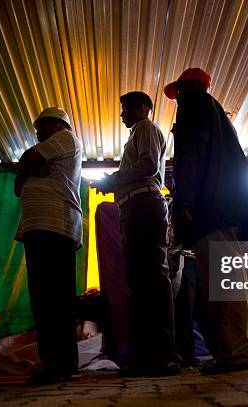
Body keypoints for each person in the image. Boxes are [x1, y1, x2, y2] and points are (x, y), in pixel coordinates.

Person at [164, 68, 248, 375]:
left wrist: (183, 203)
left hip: (210, 210)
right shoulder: (218, 115)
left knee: (225, 285)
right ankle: (242, 348)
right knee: (233, 281)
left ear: (190, 87)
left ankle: (236, 354)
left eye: (180, 92)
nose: (178, 99)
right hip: (227, 210)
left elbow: (190, 157)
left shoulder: (193, 107)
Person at [91, 91, 181, 376]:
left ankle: (163, 356)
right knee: (143, 282)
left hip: (144, 205)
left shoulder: (145, 128)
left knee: (151, 280)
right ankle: (148, 356)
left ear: (143, 108)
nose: (122, 115)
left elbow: (148, 166)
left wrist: (113, 179)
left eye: (125, 108)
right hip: (135, 206)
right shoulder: (138, 133)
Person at [14, 107, 83, 384]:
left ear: (58, 125)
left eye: (42, 127)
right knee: (42, 299)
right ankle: (52, 363)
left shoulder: (66, 138)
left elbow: (26, 158)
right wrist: (26, 169)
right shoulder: (49, 147)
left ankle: (64, 364)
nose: (37, 133)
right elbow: (18, 186)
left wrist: (27, 165)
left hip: (57, 226)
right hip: (38, 229)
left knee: (58, 299)